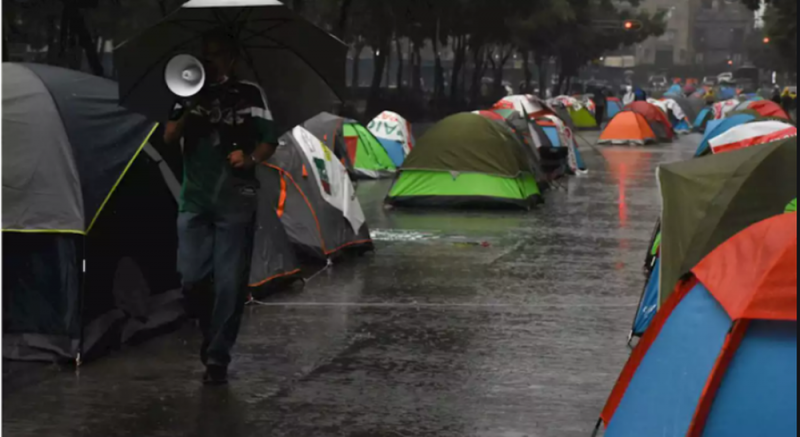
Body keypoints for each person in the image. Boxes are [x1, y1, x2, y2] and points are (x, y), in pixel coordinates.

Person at [163, 29, 278, 385]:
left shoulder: (250, 94)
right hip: (194, 200)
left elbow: (269, 141)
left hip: (236, 199)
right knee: (190, 277)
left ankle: (217, 357)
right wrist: (188, 110)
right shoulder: (186, 92)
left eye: (216, 55)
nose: (209, 61)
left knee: (230, 283)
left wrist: (250, 158)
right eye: (205, 54)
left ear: (231, 57)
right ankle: (210, 331)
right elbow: (169, 137)